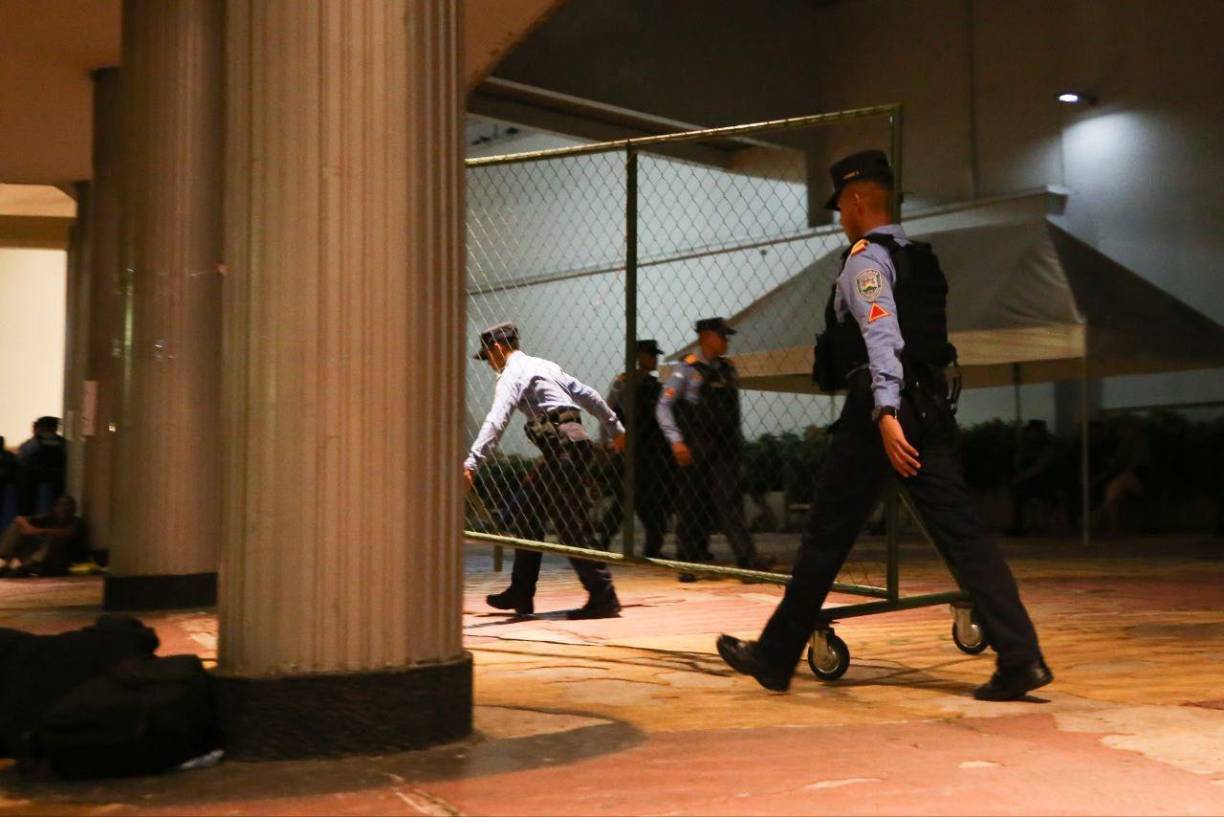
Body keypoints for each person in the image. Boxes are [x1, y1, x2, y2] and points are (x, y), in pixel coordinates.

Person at [717, 150, 1051, 701]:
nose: (841, 219)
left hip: (881, 413)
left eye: (843, 208)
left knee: (825, 537)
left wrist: (886, 413)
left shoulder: (865, 260)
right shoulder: (920, 258)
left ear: (857, 200)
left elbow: (881, 337)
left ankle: (775, 658)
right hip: (933, 407)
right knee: (966, 539)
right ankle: (1022, 658)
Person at [464, 322, 625, 619]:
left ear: (497, 348)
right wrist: (615, 428)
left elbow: (497, 419)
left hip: (562, 448)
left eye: (488, 356)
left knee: (571, 524)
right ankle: (521, 592)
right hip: (570, 444)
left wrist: (473, 462)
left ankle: (604, 595)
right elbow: (587, 394)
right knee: (528, 513)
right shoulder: (544, 365)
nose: (489, 364)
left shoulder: (511, 373)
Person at [657, 317, 775, 582]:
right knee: (690, 504)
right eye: (722, 336)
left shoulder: (727, 369)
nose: (726, 341)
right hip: (695, 446)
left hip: (725, 449)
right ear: (706, 336)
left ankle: (747, 561)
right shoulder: (685, 369)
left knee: (729, 503)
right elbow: (663, 406)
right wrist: (676, 440)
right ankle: (688, 562)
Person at [598, 339, 674, 557]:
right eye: (651, 354)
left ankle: (648, 547)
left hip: (649, 453)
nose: (655, 358)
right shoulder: (624, 382)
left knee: (639, 500)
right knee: (631, 499)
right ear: (639, 356)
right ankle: (645, 546)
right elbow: (609, 412)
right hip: (631, 452)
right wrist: (608, 443)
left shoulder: (653, 385)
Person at [0, 496, 87, 578]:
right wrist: (27, 527)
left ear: (74, 509)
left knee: (53, 536)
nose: (65, 508)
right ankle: (3, 561)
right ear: (55, 508)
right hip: (37, 551)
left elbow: (68, 533)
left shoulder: (77, 522)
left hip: (57, 558)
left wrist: (38, 531)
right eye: (62, 505)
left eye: (69, 506)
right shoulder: (48, 518)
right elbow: (19, 518)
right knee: (16, 526)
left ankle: (24, 568)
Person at [1094, 415, 1153, 536]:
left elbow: (1138, 462)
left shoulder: (1140, 441)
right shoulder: (1123, 444)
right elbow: (1117, 462)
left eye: (1123, 428)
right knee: (1112, 489)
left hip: (1141, 475)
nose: (1120, 431)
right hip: (1126, 476)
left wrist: (1122, 468)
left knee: (1117, 485)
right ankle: (1107, 522)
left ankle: (1098, 516)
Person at [1006, 420, 1062, 536]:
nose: (1031, 434)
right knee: (1018, 493)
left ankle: (1029, 525)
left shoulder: (1048, 447)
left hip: (1045, 481)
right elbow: (1017, 462)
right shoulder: (1024, 446)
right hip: (1028, 481)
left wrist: (1022, 476)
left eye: (1033, 431)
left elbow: (1040, 467)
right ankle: (1019, 525)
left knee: (1023, 491)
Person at [16, 417, 67, 516]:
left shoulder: (34, 443)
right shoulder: (62, 442)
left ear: (39, 427)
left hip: (32, 485)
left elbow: (21, 458)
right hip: (57, 483)